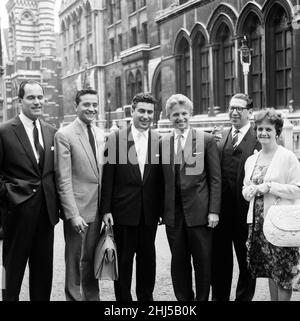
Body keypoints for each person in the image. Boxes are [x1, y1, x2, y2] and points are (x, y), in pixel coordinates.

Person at [100, 93, 163, 301]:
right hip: (123, 212)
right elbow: (108, 176)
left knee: (148, 261)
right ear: (132, 111)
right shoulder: (116, 138)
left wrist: (161, 209)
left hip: (149, 214)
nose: (146, 116)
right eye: (142, 111)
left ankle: (147, 300)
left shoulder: (158, 140)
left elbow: (160, 180)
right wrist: (106, 210)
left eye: (150, 112)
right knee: (124, 262)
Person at [0, 80, 60, 301]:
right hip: (17, 214)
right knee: (11, 272)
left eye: (40, 97)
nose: (37, 102)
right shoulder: (5, 131)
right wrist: (10, 194)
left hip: (46, 215)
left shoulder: (51, 131)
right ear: (20, 101)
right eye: (31, 97)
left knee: (43, 275)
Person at [161, 94, 221, 301]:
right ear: (169, 116)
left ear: (191, 114)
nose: (180, 118)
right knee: (178, 263)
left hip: (200, 214)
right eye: (175, 114)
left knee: (202, 263)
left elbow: (215, 179)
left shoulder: (206, 140)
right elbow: (161, 182)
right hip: (174, 215)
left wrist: (214, 210)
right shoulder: (163, 142)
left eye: (184, 113)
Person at [243, 108, 300, 301]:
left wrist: (270, 187)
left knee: (283, 275)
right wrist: (248, 191)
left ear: (277, 131)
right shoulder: (252, 160)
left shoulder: (287, 157)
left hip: (281, 226)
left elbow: (298, 189)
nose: (263, 133)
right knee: (269, 271)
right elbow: (246, 188)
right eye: (260, 129)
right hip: (258, 225)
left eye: (268, 129)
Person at [54, 89, 105, 301]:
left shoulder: (102, 134)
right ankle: (73, 298)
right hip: (78, 210)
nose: (91, 109)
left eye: (95, 104)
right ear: (76, 106)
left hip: (99, 208)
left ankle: (92, 298)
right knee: (74, 260)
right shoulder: (65, 135)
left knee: (92, 258)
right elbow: (63, 179)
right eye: (86, 104)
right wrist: (72, 214)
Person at [211, 93, 260, 301]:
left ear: (250, 112)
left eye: (240, 108)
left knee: (246, 264)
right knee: (219, 262)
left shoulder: (258, 138)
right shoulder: (219, 136)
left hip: (245, 215)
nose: (234, 112)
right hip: (221, 214)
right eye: (232, 107)